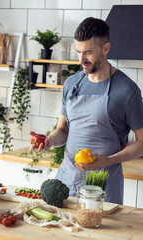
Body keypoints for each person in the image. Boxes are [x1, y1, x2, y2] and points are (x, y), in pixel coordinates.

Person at [30, 17, 143, 204]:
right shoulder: (72, 84)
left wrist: (107, 160)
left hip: (102, 188)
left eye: (88, 52)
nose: (81, 59)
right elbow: (63, 130)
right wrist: (49, 141)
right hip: (67, 182)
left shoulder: (127, 90)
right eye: (78, 51)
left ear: (106, 48)